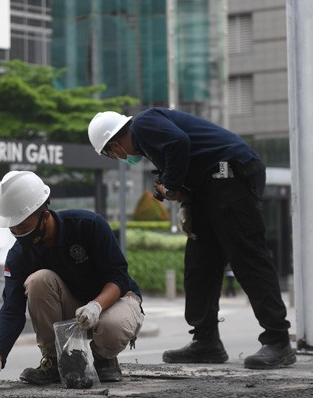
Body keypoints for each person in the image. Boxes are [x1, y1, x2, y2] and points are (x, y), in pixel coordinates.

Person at [87, 109, 296, 369]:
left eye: (110, 153)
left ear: (114, 145)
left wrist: (171, 185)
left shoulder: (142, 125)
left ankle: (278, 340)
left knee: (248, 258)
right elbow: (188, 160)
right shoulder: (149, 144)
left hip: (229, 176)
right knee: (200, 265)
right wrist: (184, 197)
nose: (118, 158)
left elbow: (179, 142)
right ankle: (206, 341)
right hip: (212, 187)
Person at [0, 171, 145, 386]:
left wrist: (95, 306)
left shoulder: (88, 225)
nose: (19, 233)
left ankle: (104, 359)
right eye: (13, 228)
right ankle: (55, 360)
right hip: (73, 308)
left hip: (116, 301)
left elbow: (118, 277)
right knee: (38, 281)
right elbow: (12, 309)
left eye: (24, 226)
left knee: (112, 326)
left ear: (45, 215)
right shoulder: (19, 255)